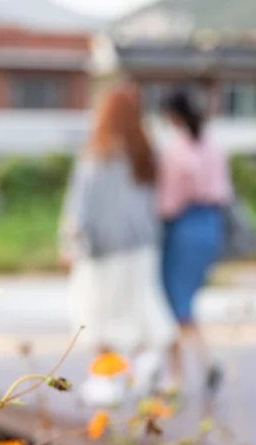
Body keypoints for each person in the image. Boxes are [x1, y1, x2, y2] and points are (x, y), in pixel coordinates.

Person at [59, 84, 177, 407]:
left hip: (103, 249)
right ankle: (147, 359)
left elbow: (79, 207)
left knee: (97, 312)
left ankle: (106, 380)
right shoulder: (147, 152)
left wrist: (69, 244)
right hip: (143, 246)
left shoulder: (96, 153)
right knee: (140, 305)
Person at [157, 90, 233, 394]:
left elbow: (169, 202)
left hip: (183, 226)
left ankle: (183, 372)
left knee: (173, 304)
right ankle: (192, 366)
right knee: (183, 302)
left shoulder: (177, 149)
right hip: (211, 225)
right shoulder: (213, 144)